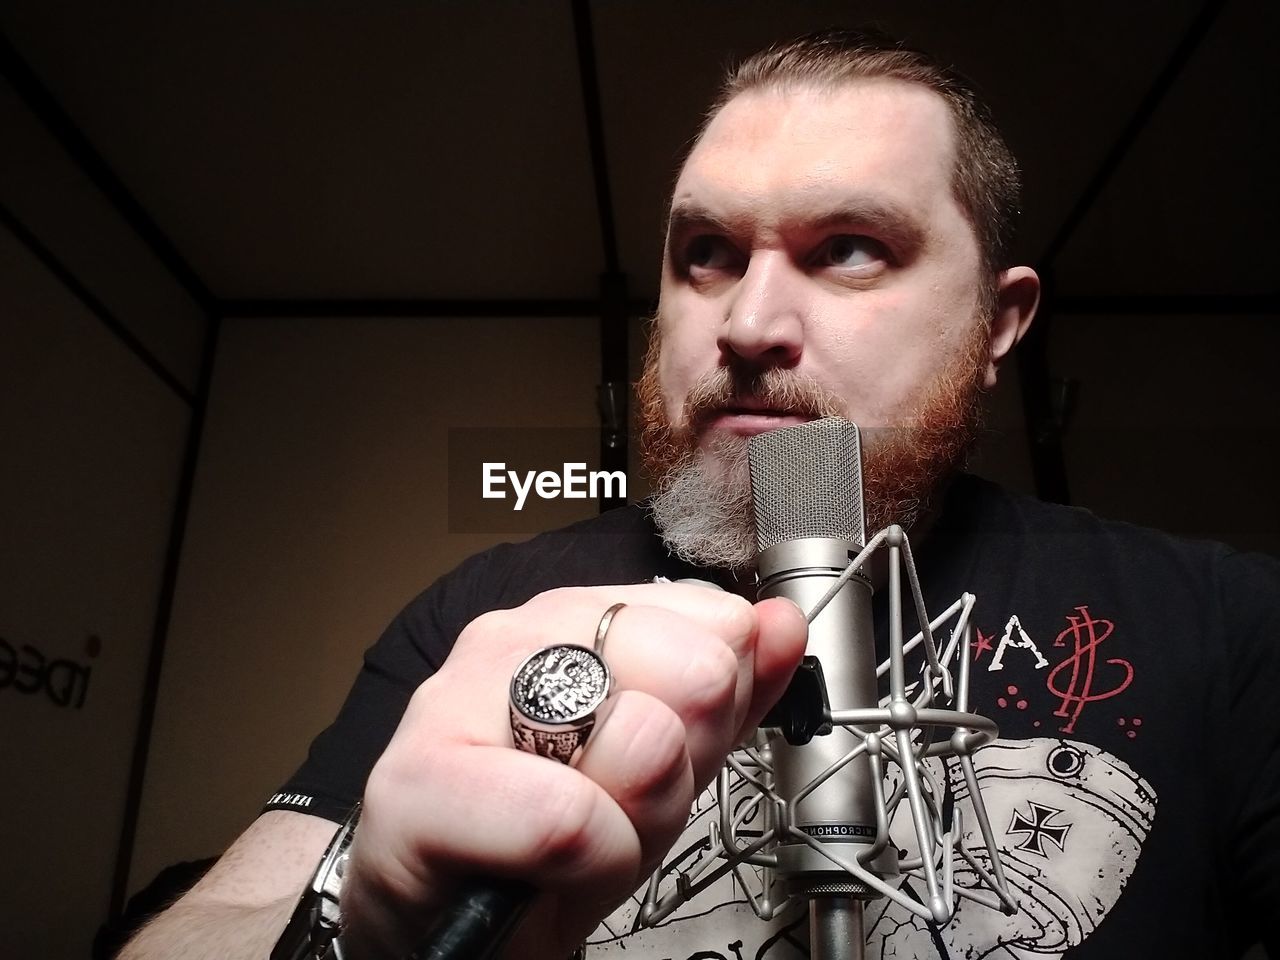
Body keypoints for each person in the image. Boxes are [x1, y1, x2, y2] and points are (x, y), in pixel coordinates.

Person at [119, 29, 1280, 960]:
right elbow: (204, 928)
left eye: (850, 249)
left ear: (997, 323)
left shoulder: (1225, 626)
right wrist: (353, 915)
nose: (745, 324)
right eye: (707, 253)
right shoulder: (484, 613)